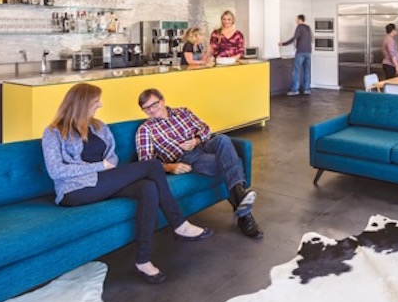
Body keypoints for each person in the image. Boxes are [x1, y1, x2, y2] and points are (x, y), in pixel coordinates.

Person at [42, 83, 212, 285]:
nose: (100, 105)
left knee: (148, 188)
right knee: (152, 166)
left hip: (104, 182)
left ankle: (143, 260)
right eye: (96, 102)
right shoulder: (53, 132)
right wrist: (98, 166)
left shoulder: (99, 126)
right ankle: (178, 223)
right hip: (75, 190)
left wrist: (106, 166)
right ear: (82, 104)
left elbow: (112, 158)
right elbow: (56, 171)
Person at [135, 89, 263, 239]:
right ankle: (245, 214)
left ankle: (241, 203)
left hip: (204, 144)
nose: (151, 110)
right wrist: (169, 167)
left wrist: (196, 140)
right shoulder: (145, 130)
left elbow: (205, 128)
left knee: (222, 139)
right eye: (147, 108)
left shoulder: (182, 111)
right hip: (186, 157)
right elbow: (145, 163)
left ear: (162, 101)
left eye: (154, 104)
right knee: (227, 162)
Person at [278, 14, 313, 95]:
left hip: (300, 51)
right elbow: (311, 39)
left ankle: (295, 90)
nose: (296, 21)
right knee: (306, 71)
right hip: (308, 51)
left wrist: (283, 44)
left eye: (297, 19)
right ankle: (306, 89)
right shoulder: (308, 28)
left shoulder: (299, 27)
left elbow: (294, 38)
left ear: (300, 20)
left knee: (296, 71)